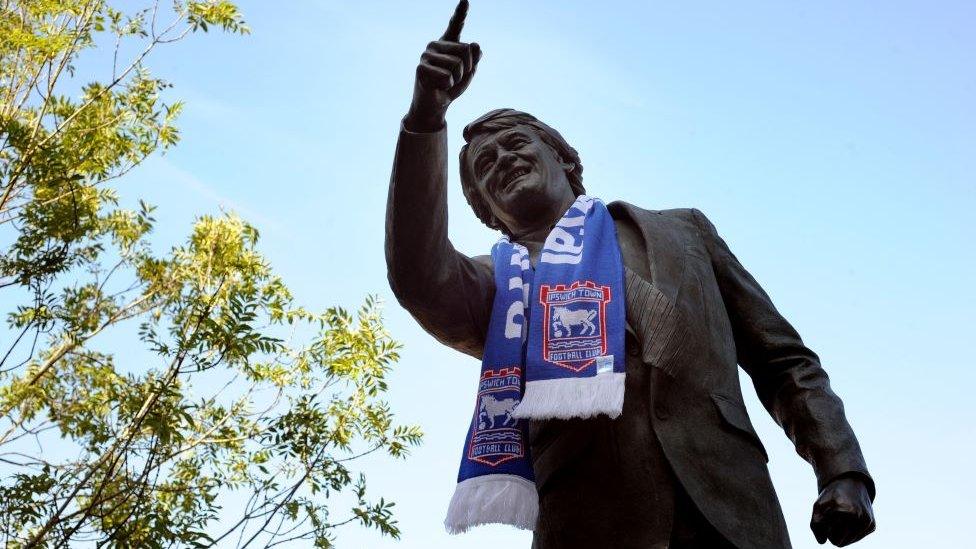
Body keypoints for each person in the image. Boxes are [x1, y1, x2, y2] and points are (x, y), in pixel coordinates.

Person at [385, 2, 876, 547]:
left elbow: (782, 361)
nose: (501, 159)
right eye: (485, 165)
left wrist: (841, 468)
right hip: (591, 526)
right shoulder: (499, 286)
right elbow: (417, 276)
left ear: (564, 158)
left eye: (516, 143)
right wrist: (425, 118)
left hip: (732, 516)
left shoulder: (684, 232)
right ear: (489, 214)